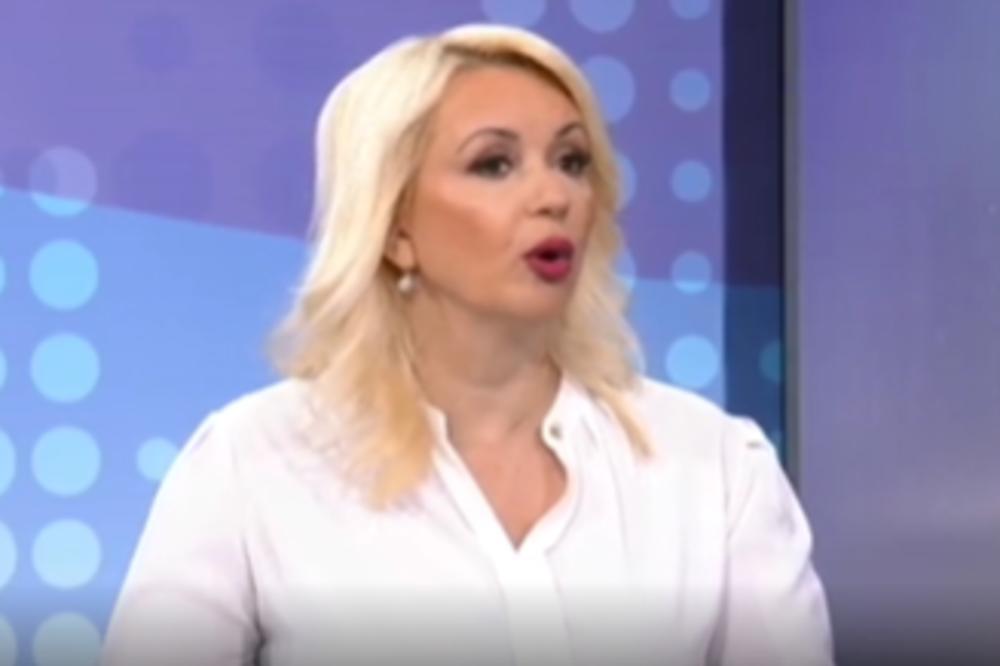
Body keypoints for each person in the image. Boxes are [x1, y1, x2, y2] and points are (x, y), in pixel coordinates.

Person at [101, 23, 834, 666]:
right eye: (495, 164)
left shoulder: (714, 467)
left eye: (572, 161)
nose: (554, 196)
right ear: (396, 228)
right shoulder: (253, 464)